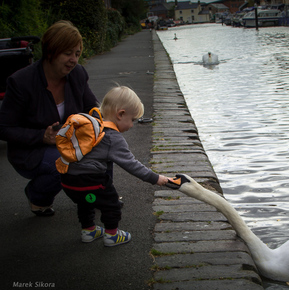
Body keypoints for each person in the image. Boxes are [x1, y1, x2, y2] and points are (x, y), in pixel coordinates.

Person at [0, 20, 98, 216]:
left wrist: (102, 124)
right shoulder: (21, 82)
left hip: (67, 143)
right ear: (51, 51)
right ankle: (38, 197)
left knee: (105, 147)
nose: (73, 60)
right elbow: (4, 127)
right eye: (67, 53)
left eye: (77, 54)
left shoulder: (77, 74)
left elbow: (92, 108)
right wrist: (41, 137)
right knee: (66, 162)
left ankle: (98, 197)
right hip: (31, 150)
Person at [59, 86, 169, 247]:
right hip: (91, 183)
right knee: (111, 204)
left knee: (86, 202)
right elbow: (131, 164)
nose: (132, 125)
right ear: (120, 114)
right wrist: (155, 178)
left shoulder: (90, 124)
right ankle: (112, 235)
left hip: (68, 181)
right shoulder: (112, 137)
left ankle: (88, 231)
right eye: (132, 120)